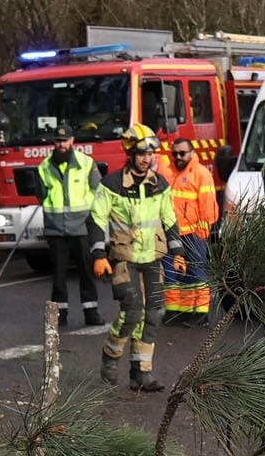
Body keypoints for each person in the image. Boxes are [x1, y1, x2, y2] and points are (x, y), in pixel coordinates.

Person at [100, 128, 177, 391]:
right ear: (130, 154)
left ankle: (141, 373)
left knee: (154, 313)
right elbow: (96, 220)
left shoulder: (160, 184)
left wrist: (177, 252)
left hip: (153, 259)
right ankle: (110, 359)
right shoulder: (111, 185)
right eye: (142, 154)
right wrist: (98, 255)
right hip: (125, 259)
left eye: (151, 153)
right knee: (132, 312)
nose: (147, 159)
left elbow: (169, 219)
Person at [36, 121, 108, 332]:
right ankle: (60, 316)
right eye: (58, 141)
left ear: (72, 141)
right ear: (54, 143)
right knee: (58, 276)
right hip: (56, 230)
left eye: (65, 140)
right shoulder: (44, 167)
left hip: (83, 228)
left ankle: (91, 312)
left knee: (87, 273)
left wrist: (97, 221)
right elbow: (41, 195)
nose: (61, 145)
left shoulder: (86, 163)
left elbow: (99, 192)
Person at [162, 136, 222, 323]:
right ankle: (179, 311)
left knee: (197, 274)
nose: (178, 156)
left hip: (194, 233)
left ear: (192, 153)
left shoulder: (201, 173)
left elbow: (209, 205)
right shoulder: (171, 173)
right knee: (175, 274)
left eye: (182, 153)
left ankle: (201, 314)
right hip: (174, 232)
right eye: (175, 153)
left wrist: (202, 232)